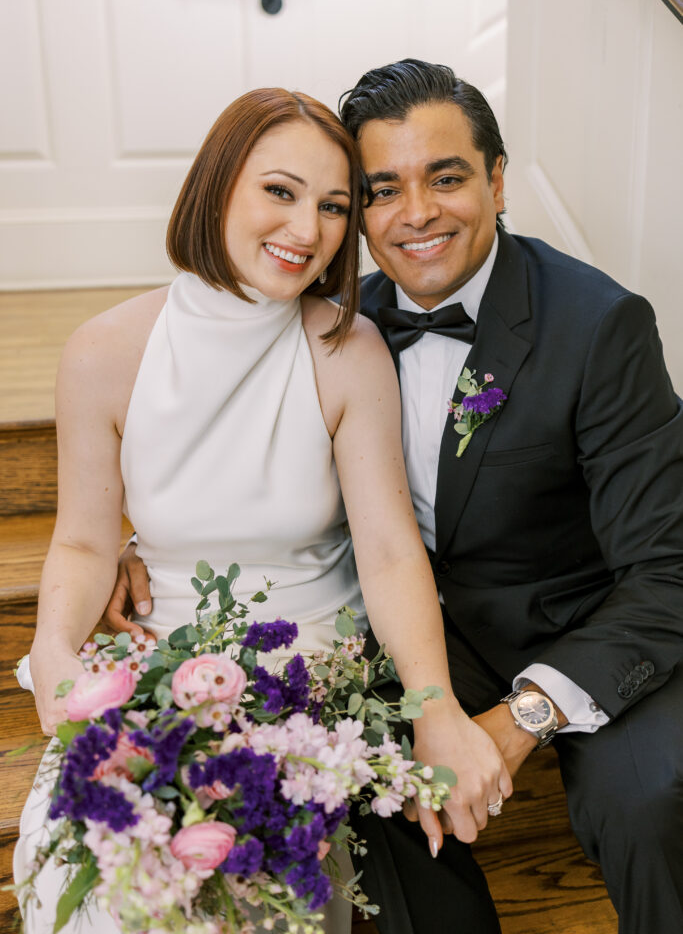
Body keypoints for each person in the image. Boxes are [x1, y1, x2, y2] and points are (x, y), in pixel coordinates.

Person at [112, 60, 683, 934]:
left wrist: (515, 719)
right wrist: (144, 546)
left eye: (446, 177)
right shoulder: (327, 319)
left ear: (495, 180)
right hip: (400, 641)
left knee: (648, 808)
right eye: (382, 190)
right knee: (364, 804)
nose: (416, 214)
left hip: (583, 631)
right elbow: (222, 447)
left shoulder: (599, 324)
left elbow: (669, 570)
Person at [14, 86, 513, 934]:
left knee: (249, 890)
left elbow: (391, 553)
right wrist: (54, 646)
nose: (306, 230)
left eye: (331, 206)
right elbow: (83, 540)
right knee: (103, 885)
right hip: (155, 661)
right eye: (278, 192)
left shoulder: (345, 349)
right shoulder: (102, 350)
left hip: (307, 673)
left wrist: (431, 706)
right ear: (217, 188)